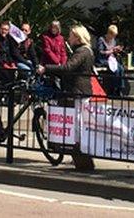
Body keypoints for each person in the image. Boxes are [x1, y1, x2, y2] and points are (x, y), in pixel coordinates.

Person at [37, 24, 96, 171]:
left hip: (78, 91)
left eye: (70, 36)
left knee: (78, 125)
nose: (68, 38)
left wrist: (46, 68)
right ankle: (81, 157)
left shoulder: (82, 52)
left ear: (77, 37)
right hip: (79, 91)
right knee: (78, 124)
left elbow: (68, 67)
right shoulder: (85, 51)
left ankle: (83, 159)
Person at [95, 25, 125, 97]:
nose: (113, 37)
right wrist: (111, 51)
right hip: (103, 59)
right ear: (109, 33)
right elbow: (100, 52)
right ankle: (114, 89)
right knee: (116, 70)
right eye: (112, 35)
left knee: (121, 69)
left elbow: (113, 52)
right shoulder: (101, 40)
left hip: (111, 59)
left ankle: (119, 88)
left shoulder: (113, 41)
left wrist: (117, 50)